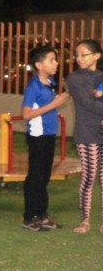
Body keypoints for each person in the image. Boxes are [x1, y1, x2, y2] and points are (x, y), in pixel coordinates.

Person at [21, 45, 71, 231]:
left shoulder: (49, 81)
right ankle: (29, 216)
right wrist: (55, 103)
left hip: (49, 134)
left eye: (55, 59)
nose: (56, 63)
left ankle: (41, 214)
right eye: (52, 59)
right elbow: (27, 114)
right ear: (39, 65)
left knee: (44, 176)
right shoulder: (33, 86)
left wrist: (57, 100)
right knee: (36, 176)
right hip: (38, 136)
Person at [65, 39, 103, 234]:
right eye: (77, 55)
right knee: (89, 177)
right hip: (87, 132)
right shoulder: (74, 78)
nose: (79, 58)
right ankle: (85, 220)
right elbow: (87, 104)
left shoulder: (101, 76)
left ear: (96, 56)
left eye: (84, 54)